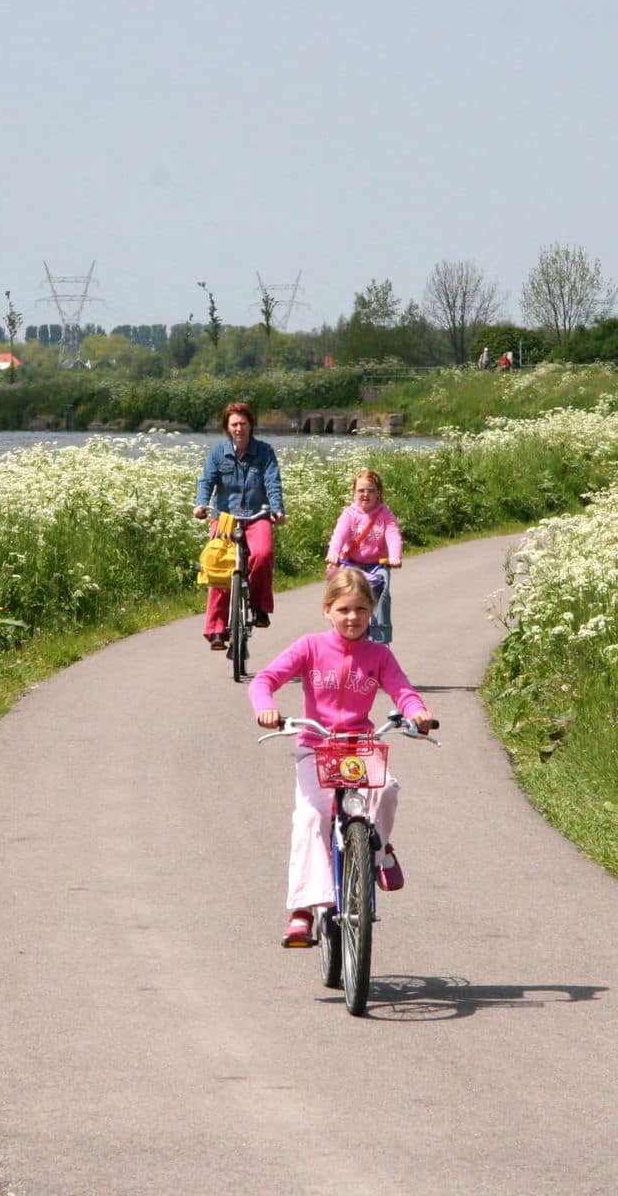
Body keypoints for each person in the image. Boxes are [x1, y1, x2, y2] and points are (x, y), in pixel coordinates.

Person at [248, 568, 433, 947]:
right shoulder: (310, 647)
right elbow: (264, 680)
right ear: (327, 610)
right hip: (316, 748)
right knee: (312, 816)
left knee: (388, 790)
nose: (353, 617)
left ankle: (378, 854)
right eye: (344, 609)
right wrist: (265, 707)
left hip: (359, 747)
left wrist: (418, 712)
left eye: (362, 609)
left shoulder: (379, 654)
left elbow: (403, 690)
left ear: (372, 611)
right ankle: (303, 908)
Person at [194, 401, 286, 649]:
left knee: (263, 554)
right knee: (219, 565)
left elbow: (272, 483)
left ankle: (259, 608)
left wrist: (277, 509)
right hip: (225, 518)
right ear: (227, 427)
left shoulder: (264, 452)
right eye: (234, 424)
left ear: (251, 425)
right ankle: (216, 630)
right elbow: (206, 482)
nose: (238, 428)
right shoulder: (217, 454)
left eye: (243, 424)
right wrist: (201, 505)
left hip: (257, 516)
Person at [325, 468, 402, 643]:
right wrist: (333, 553)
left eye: (371, 490)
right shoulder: (349, 514)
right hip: (351, 564)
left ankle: (380, 638)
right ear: (354, 493)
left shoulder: (385, 514)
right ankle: (340, 632)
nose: (365, 494)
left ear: (378, 493)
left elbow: (393, 535)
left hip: (377, 565)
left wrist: (395, 555)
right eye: (361, 490)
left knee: (382, 592)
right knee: (343, 594)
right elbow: (339, 535)